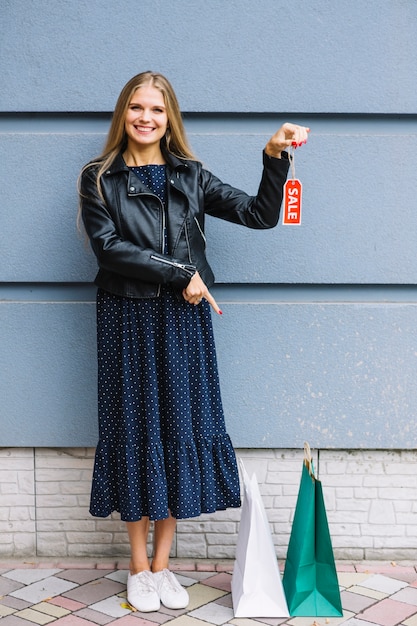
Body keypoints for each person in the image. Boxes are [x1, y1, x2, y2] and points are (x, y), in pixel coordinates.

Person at [78, 70, 309, 613]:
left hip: (184, 323)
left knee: (178, 428)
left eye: (156, 110)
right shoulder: (98, 178)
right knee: (135, 430)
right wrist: (178, 273)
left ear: (169, 118)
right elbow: (107, 248)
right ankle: (137, 569)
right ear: (123, 113)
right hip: (126, 318)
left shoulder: (192, 176)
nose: (145, 118)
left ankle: (163, 567)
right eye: (136, 107)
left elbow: (259, 215)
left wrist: (274, 156)